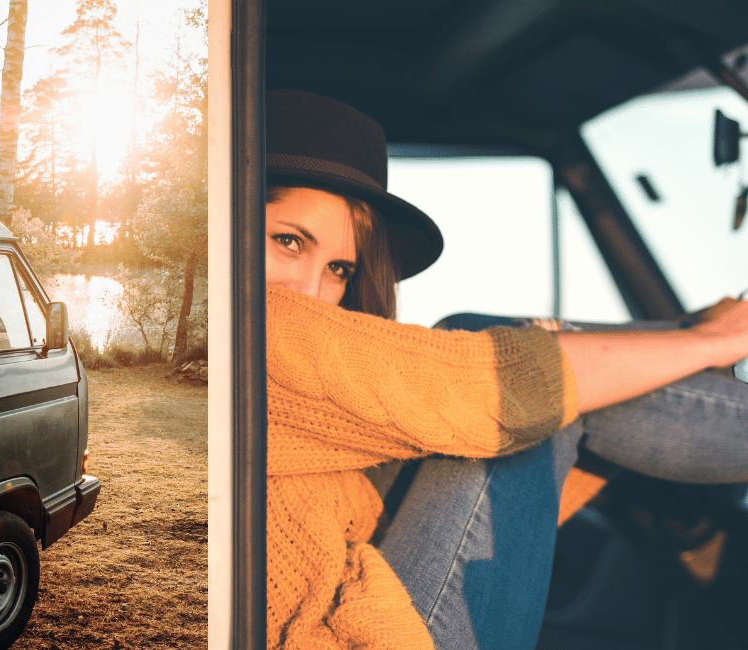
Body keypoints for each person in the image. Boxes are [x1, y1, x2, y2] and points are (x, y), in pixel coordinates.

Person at [262, 88, 748, 650]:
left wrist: (693, 335)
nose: (313, 293)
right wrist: (713, 340)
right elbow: (501, 389)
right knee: (528, 407)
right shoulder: (248, 337)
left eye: (339, 268)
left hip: (349, 607)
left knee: (482, 345)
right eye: (288, 241)